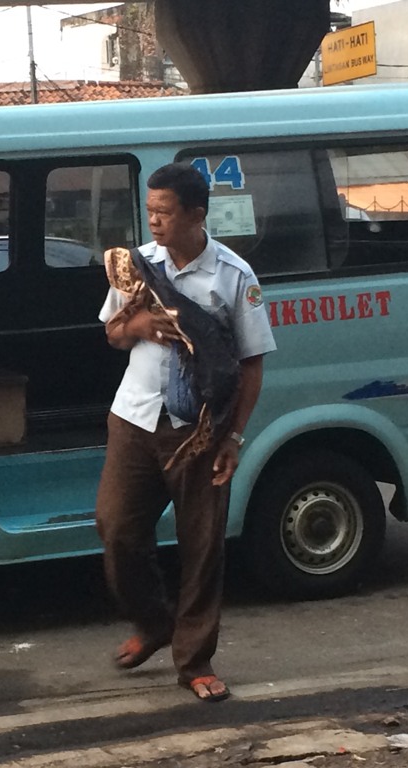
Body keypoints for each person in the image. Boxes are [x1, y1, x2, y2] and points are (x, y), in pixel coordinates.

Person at [95, 163, 276, 703]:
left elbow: (251, 367)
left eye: (165, 213)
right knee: (116, 528)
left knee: (201, 546)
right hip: (134, 417)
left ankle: (195, 660)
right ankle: (154, 624)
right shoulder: (139, 267)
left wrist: (233, 439)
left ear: (196, 214)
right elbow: (111, 332)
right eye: (149, 211)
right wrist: (140, 326)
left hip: (198, 429)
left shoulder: (233, 277)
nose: (154, 222)